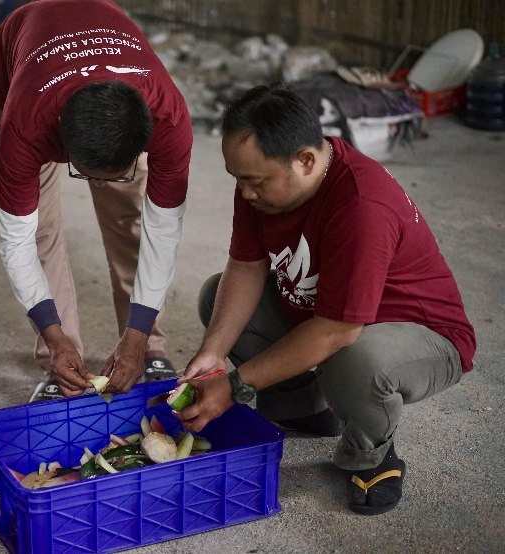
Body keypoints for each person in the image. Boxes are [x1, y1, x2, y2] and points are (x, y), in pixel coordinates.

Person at [176, 83, 475, 516]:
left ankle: (373, 454)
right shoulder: (261, 192)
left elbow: (339, 331)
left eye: (254, 181)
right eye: (237, 179)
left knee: (353, 359)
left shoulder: (361, 203)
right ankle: (303, 409)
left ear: (306, 161)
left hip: (421, 334)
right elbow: (245, 267)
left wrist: (235, 386)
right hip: (331, 315)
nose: (244, 194)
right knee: (215, 298)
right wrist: (213, 353)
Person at [0, 0, 193, 401]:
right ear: (62, 142)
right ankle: (59, 358)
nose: (96, 184)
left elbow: (162, 232)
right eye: (86, 173)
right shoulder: (24, 127)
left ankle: (149, 350)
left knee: (131, 217)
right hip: (23, 60)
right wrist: (53, 332)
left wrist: (137, 333)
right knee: (39, 227)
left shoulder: (169, 117)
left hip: (102, 35)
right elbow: (16, 242)